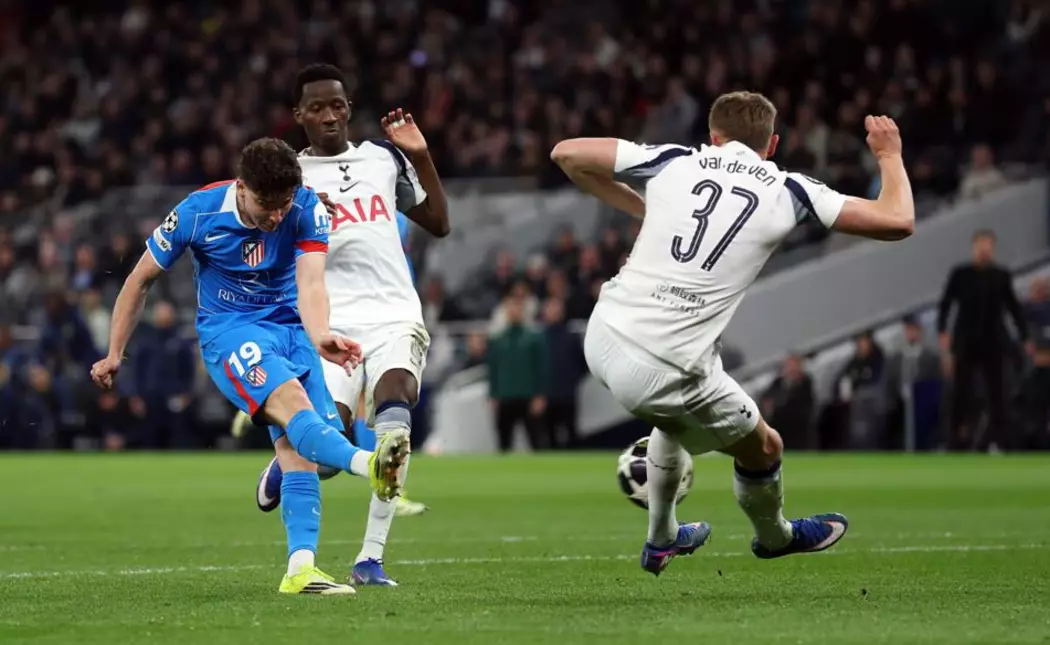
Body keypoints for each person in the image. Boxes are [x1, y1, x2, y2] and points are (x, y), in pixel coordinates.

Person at [551, 91, 914, 575]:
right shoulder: (790, 189)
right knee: (765, 448)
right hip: (665, 366)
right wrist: (889, 154)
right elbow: (898, 220)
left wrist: (642, 208)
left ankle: (662, 538)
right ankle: (776, 537)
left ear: (713, 136)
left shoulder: (674, 160)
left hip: (603, 336)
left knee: (677, 414)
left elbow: (566, 154)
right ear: (772, 145)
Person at [90, 137, 409, 595]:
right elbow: (140, 280)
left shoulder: (305, 207)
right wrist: (114, 352)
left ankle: (300, 570)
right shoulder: (197, 213)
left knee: (308, 452)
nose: (276, 216)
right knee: (296, 410)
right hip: (232, 332)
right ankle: (370, 463)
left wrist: (320, 334)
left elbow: (312, 281)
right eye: (266, 205)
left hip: (291, 329)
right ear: (241, 187)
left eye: (283, 205)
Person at [253, 64, 450, 588]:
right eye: (316, 107)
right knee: (327, 454)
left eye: (337, 105)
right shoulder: (290, 176)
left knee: (396, 417)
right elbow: (267, 251)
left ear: (349, 108)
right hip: (329, 322)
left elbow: (439, 222)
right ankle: (284, 464)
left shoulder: (383, 159)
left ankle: (370, 559)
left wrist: (421, 155)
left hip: (394, 314)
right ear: (299, 115)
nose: (329, 115)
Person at [937, 230, 1027, 451]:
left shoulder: (1001, 275)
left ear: (993, 249)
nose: (984, 251)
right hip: (965, 341)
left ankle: (1000, 441)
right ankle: (955, 441)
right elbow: (945, 304)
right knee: (960, 392)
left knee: (998, 393)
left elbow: (1013, 307)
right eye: (981, 246)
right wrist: (943, 332)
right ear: (973, 247)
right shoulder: (960, 274)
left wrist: (1024, 336)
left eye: (988, 246)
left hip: (993, 341)